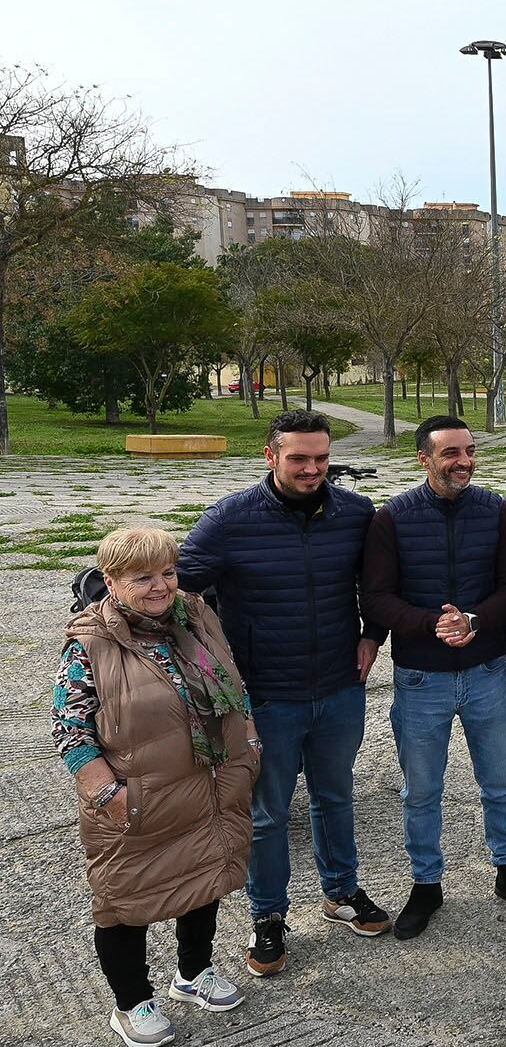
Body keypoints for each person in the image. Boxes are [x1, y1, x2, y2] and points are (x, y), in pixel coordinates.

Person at [176, 409, 392, 977]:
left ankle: (342, 892)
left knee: (334, 795)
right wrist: (216, 672)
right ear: (270, 456)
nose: (312, 469)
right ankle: (268, 916)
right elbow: (179, 595)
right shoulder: (231, 519)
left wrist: (372, 635)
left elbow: (376, 584)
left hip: (340, 687)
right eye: (299, 458)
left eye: (321, 458)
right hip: (267, 694)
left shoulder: (354, 512)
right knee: (269, 814)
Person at [53, 527, 260, 1047]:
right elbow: (70, 728)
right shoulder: (90, 642)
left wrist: (249, 743)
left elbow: (231, 679)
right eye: (142, 577)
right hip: (138, 797)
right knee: (125, 898)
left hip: (208, 783)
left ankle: (193, 973)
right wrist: (107, 795)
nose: (159, 586)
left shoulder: (196, 615)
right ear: (111, 581)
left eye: (167, 572)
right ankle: (131, 1002)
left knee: (202, 876)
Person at [360, 415, 506, 939]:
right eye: (450, 453)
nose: (464, 461)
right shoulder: (391, 519)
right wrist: (433, 625)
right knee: (421, 790)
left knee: (500, 781)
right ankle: (426, 885)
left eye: (469, 451)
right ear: (424, 459)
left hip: (488, 668)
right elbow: (375, 596)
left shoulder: (496, 513)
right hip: (422, 677)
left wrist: (475, 620)